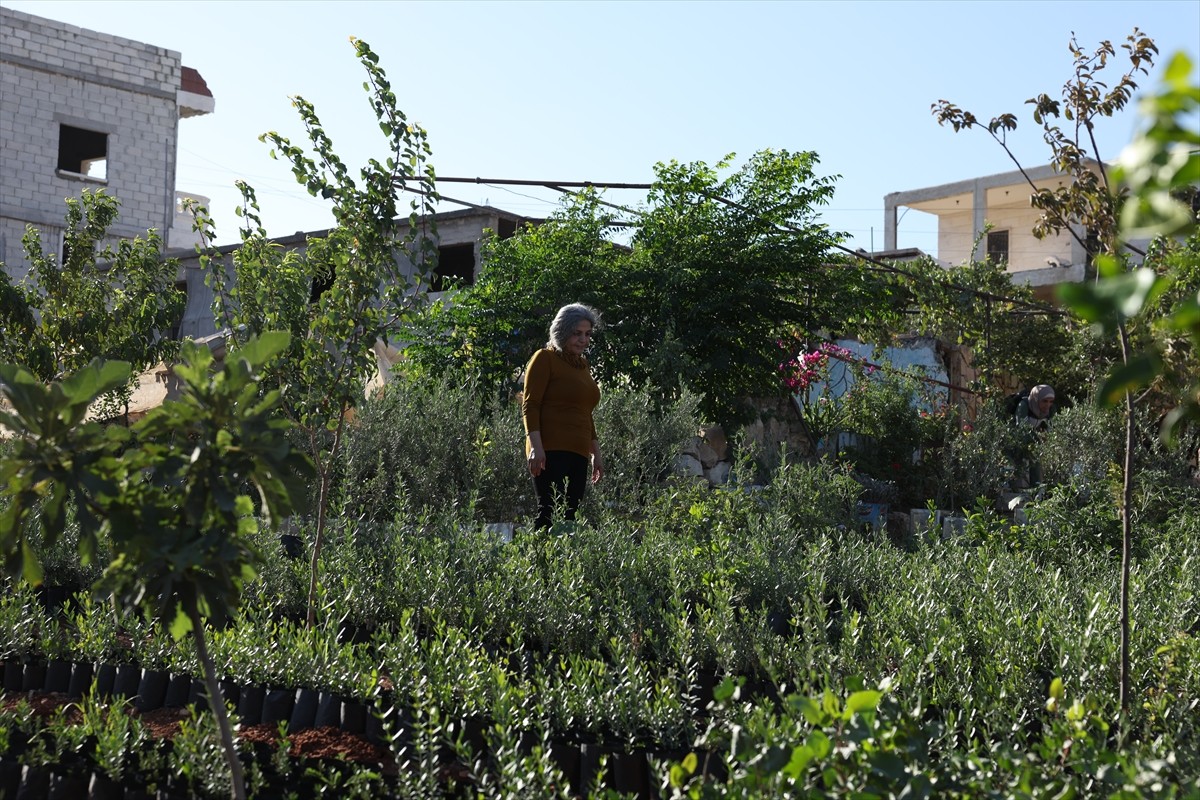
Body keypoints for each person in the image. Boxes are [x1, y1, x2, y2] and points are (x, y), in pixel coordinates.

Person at [522, 303, 604, 530]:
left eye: (587, 334)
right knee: (549, 510)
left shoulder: (583, 366)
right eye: (577, 333)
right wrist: (536, 448)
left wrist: (595, 453)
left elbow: (585, 411)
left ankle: (561, 564)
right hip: (550, 448)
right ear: (562, 331)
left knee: (570, 516)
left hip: (578, 451)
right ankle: (537, 561)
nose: (583, 340)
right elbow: (531, 405)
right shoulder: (544, 358)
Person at [1014, 384, 1055, 488]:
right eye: (1044, 401)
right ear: (1036, 398)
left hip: (1034, 438)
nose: (1048, 404)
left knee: (1036, 460)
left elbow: (1053, 427)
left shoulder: (1051, 409)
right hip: (1015, 436)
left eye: (1051, 401)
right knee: (1017, 461)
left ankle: (1035, 489)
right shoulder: (1023, 406)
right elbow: (1021, 428)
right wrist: (1038, 438)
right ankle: (1016, 489)